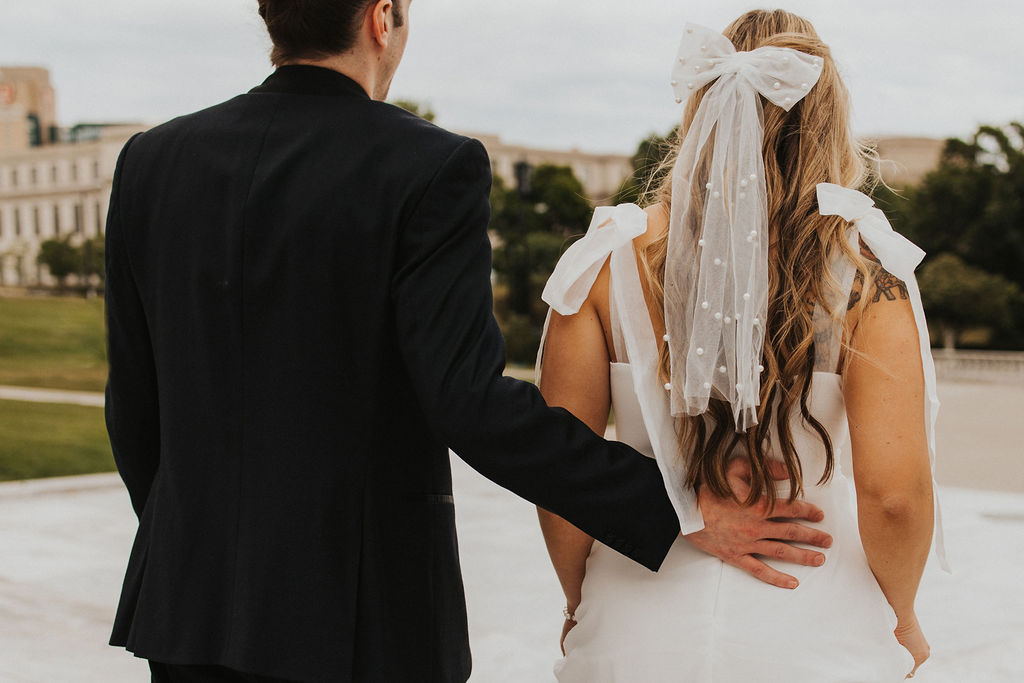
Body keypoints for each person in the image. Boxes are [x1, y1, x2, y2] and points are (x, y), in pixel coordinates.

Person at [104, 2, 834, 682]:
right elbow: (468, 401)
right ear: (381, 17)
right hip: (362, 614)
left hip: (185, 604)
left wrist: (186, 542)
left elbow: (134, 405)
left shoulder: (151, 161)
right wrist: (676, 504)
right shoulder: (427, 168)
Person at [538, 10, 945, 682]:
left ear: (702, 109)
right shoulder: (868, 274)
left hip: (635, 620)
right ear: (827, 119)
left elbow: (559, 473)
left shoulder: (601, 262)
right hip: (815, 629)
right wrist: (900, 615)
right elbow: (894, 494)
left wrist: (584, 600)